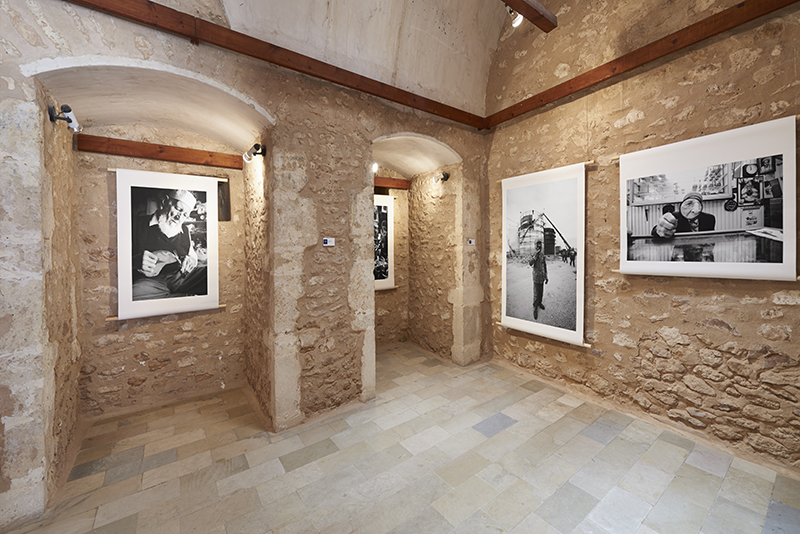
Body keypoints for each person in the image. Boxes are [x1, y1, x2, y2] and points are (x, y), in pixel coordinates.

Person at [132, 189, 206, 300]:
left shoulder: (185, 230)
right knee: (134, 294)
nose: (179, 218)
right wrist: (135, 261)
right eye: (178, 209)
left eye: (185, 215)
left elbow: (192, 256)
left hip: (180, 277)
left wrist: (191, 261)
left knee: (210, 274)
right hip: (150, 282)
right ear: (165, 201)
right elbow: (115, 260)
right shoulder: (137, 224)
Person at [651, 191, 716, 238]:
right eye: (689, 204)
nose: (692, 209)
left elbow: (711, 239)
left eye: (696, 205)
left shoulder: (709, 218)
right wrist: (659, 229)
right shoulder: (674, 217)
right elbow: (656, 233)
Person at [529, 240, 548, 320]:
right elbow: (530, 263)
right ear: (535, 246)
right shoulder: (533, 254)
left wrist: (546, 276)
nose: (539, 246)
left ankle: (539, 303)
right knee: (536, 294)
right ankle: (535, 307)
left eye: (540, 245)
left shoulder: (543, 255)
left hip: (542, 277)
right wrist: (535, 256)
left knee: (541, 292)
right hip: (536, 277)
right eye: (538, 245)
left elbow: (545, 266)